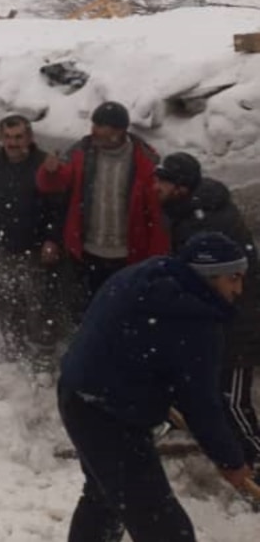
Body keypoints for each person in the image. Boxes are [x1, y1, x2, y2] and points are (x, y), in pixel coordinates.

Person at [58, 232, 254, 541]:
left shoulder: (146, 274)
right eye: (234, 279)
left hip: (77, 393)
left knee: (104, 497)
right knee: (164, 528)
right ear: (209, 276)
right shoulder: (197, 322)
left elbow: (130, 340)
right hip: (109, 415)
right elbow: (202, 405)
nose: (238, 289)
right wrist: (231, 460)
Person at [154, 152, 260, 474]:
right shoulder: (187, 211)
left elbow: (204, 282)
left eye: (162, 182)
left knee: (232, 399)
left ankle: (256, 457)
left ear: (182, 188)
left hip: (239, 320)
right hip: (218, 318)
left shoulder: (205, 223)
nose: (155, 186)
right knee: (205, 385)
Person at [36, 101, 168, 314]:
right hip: (86, 253)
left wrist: (156, 257)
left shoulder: (145, 161)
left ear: (118, 131)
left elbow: (154, 215)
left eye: (100, 126)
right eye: (93, 124)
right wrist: (50, 171)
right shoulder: (81, 152)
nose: (93, 131)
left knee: (122, 313)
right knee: (84, 312)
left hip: (127, 256)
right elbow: (52, 185)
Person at [0, 116, 64, 365]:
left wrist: (53, 240)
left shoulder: (44, 166)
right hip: (0, 245)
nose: (12, 143)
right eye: (7, 137)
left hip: (36, 249)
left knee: (40, 303)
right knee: (6, 299)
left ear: (29, 137)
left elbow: (60, 208)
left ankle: (43, 354)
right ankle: (15, 347)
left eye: (18, 137)